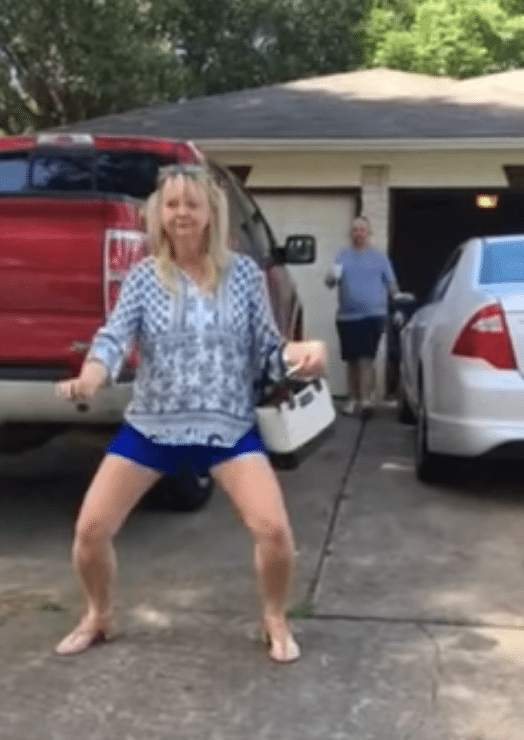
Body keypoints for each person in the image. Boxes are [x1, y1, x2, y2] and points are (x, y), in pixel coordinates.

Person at [54, 162, 326, 662]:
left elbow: (269, 350)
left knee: (274, 531)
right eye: (173, 204)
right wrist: (91, 376)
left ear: (210, 214)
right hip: (152, 427)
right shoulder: (142, 278)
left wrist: (302, 355)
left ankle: (274, 618)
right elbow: (113, 339)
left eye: (192, 204)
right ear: (159, 213)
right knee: (91, 530)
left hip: (227, 428)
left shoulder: (244, 276)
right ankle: (98, 615)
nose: (182, 213)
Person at [325, 216, 398, 416]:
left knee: (366, 358)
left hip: (373, 315)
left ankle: (366, 400)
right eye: (355, 230)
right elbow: (330, 283)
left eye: (362, 229)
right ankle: (352, 399)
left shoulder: (379, 258)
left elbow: (391, 283)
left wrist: (398, 301)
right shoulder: (342, 256)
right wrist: (331, 277)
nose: (359, 233)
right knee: (352, 360)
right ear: (351, 233)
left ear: (369, 232)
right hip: (347, 317)